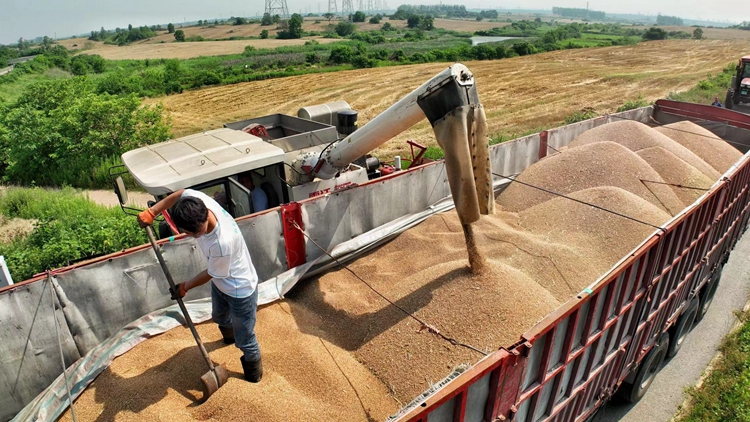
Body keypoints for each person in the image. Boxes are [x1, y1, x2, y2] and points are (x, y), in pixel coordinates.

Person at [137, 189, 263, 383]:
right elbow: (180, 194)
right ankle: (229, 338)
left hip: (240, 290)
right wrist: (153, 211)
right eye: (188, 233)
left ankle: (254, 375)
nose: (194, 237)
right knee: (219, 316)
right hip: (222, 283)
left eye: (196, 233)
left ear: (204, 219)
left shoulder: (222, 242)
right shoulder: (200, 202)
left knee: (245, 339)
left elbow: (211, 273)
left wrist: (185, 286)